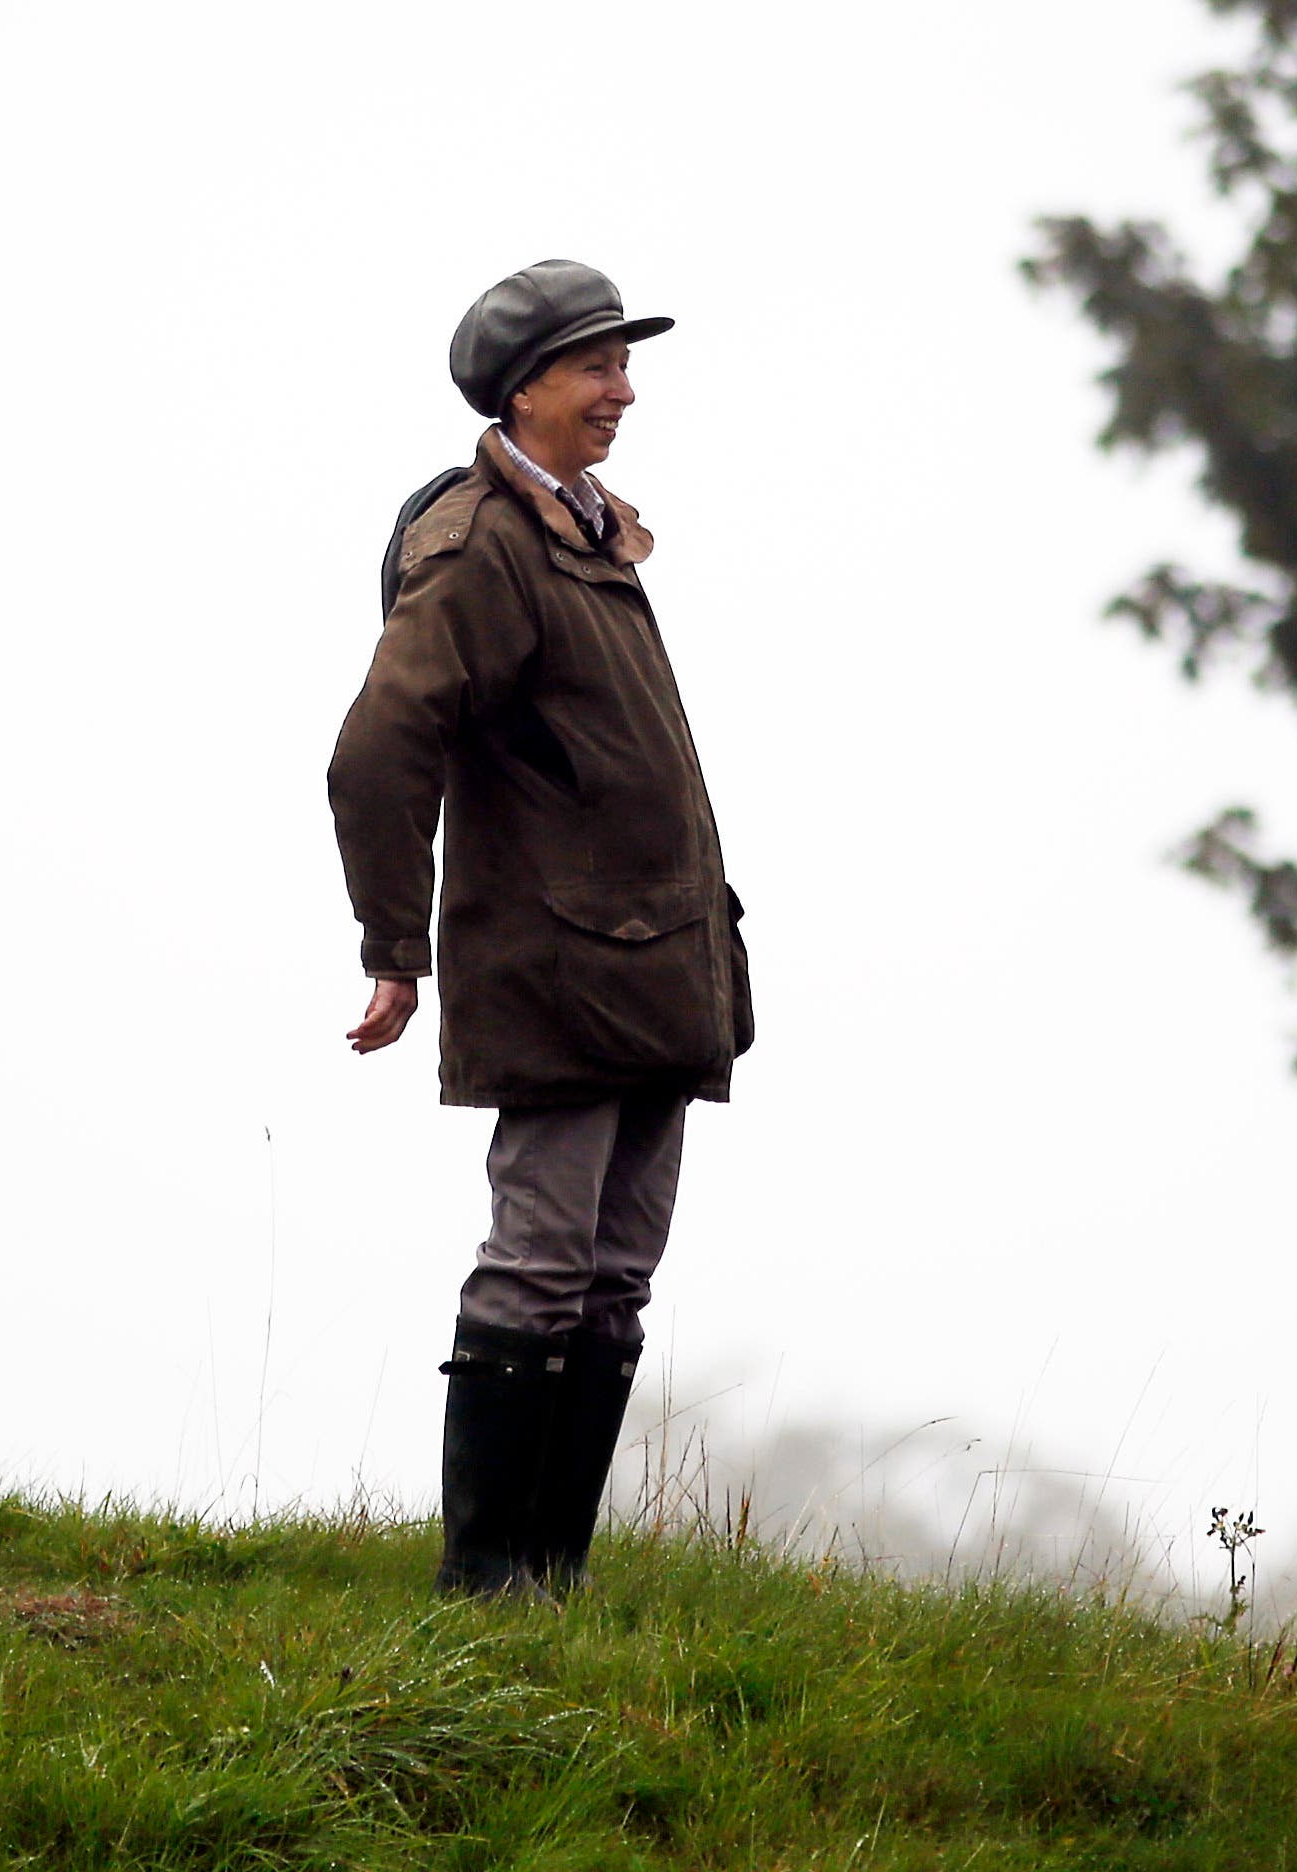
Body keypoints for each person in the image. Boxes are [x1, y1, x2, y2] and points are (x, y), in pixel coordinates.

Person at [328, 258, 752, 1595]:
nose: (624, 392)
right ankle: (483, 1592)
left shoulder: (585, 524)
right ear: (527, 389)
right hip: (561, 973)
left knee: (614, 1279)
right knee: (539, 1273)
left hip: (657, 971)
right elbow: (377, 751)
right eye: (597, 368)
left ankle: (546, 1592)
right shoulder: (484, 541)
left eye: (625, 368)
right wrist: (396, 950)